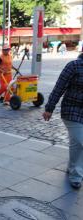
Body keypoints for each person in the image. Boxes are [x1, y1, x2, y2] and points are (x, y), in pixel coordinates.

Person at [43, 52, 83, 189]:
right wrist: (49, 108)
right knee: (79, 141)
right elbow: (59, 87)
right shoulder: (73, 66)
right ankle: (76, 175)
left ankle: (72, 165)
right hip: (72, 110)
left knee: (77, 143)